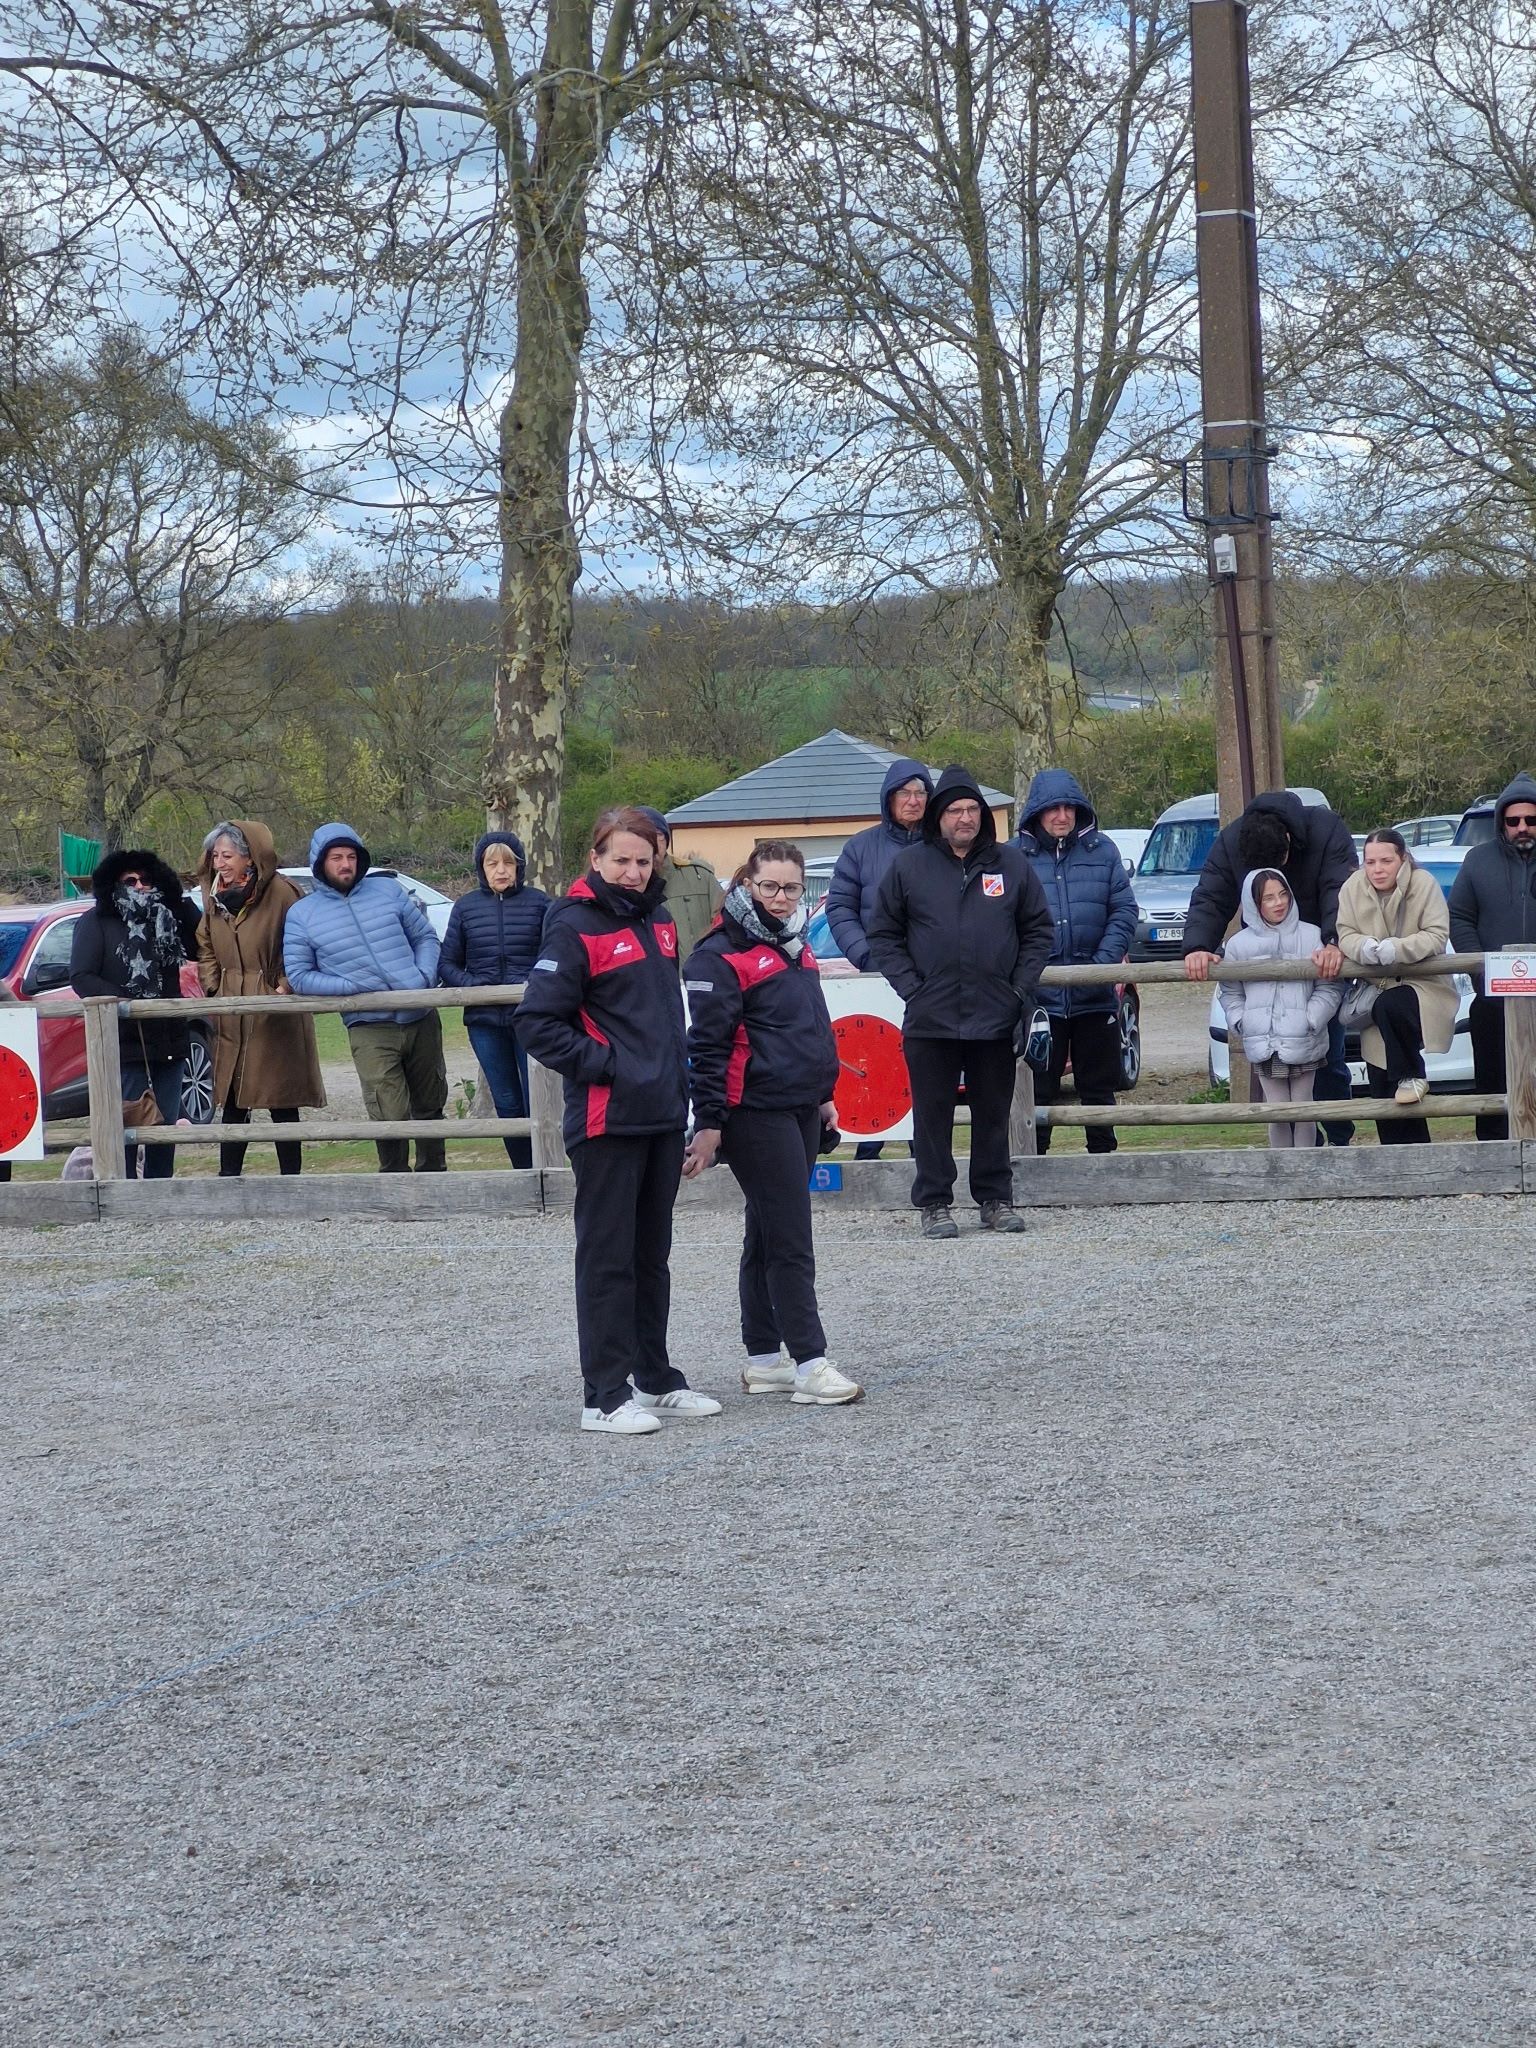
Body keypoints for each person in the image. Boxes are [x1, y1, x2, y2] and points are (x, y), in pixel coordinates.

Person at [517, 805, 722, 1435]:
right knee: (607, 1260)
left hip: (661, 1114)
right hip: (607, 1119)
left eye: (643, 860)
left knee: (650, 1256)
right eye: (621, 860)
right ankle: (602, 1394)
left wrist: (678, 1092)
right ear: (596, 859)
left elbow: (663, 1019)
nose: (633, 872)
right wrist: (608, 1065)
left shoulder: (661, 920)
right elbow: (536, 1022)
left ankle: (654, 1376)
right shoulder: (573, 926)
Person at [681, 840, 863, 1406]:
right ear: (746, 885)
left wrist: (824, 1093)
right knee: (790, 1235)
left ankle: (764, 1359)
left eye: (791, 888)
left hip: (801, 1104)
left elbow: (810, 1025)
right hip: (753, 1112)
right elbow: (706, 1050)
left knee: (764, 1233)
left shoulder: (795, 946)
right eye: (769, 887)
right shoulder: (717, 956)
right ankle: (810, 1362)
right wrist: (711, 1123)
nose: (782, 899)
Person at [866, 765, 1054, 1237]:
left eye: (972, 809)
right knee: (932, 1116)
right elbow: (883, 933)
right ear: (938, 816)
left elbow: (1038, 931)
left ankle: (995, 1198)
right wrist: (913, 986)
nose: (965, 818)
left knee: (994, 1113)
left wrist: (1018, 988)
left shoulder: (1011, 865)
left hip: (995, 1014)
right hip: (930, 1016)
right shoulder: (909, 866)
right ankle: (934, 1203)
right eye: (954, 810)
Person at [1183, 788, 1358, 1142]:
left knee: (1329, 1063)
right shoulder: (1233, 839)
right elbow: (1212, 894)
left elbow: (1339, 888)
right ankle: (1295, 1155)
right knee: (1275, 1077)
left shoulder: (1326, 829)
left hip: (1318, 962)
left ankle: (1341, 1140)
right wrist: (1198, 945)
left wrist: (1334, 940)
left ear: (1290, 841)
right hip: (1264, 973)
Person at [282, 822, 448, 1173]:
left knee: (430, 1101)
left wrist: (422, 977)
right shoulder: (302, 914)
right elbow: (299, 975)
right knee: (388, 1109)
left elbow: (426, 938)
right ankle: (393, 1180)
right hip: (369, 1024)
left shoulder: (388, 891)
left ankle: (436, 1177)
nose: (345, 864)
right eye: (337, 857)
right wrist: (350, 988)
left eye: (351, 856)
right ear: (320, 863)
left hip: (420, 1015)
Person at [1016, 769, 1137, 1154]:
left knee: (1099, 1085)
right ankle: (1032, 1165)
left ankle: (1104, 1164)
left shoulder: (1103, 851)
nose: (1062, 816)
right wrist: (1028, 970)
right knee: (1039, 1087)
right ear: (1037, 812)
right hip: (1040, 999)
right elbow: (1002, 919)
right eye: (1053, 808)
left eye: (1069, 807)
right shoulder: (1012, 858)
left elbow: (1124, 910)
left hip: (1095, 994)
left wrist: (1101, 965)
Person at [196, 821, 325, 1177]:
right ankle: (228, 1177)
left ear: (250, 856)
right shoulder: (214, 895)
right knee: (235, 1099)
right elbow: (204, 943)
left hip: (273, 1008)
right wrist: (212, 986)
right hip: (231, 1007)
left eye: (227, 855)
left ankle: (292, 1178)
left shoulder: (283, 892)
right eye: (215, 855)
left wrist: (283, 985)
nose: (219, 863)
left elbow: (302, 942)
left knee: (280, 1098)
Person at [824, 757, 933, 1159]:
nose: (913, 800)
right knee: (875, 1064)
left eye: (920, 792)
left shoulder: (941, 845)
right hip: (875, 979)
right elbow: (840, 909)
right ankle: (866, 1162)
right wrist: (866, 956)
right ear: (888, 798)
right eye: (904, 792)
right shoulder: (860, 848)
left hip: (928, 979)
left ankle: (928, 1166)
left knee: (921, 1074)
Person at [69, 850, 201, 1179]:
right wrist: (128, 1003)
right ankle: (125, 1190)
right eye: (131, 880)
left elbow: (201, 944)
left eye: (146, 879)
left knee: (166, 1122)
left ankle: (160, 1191)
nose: (140, 886)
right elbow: (82, 976)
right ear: (115, 884)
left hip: (169, 1034)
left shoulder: (168, 916)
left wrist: (177, 899)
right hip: (124, 1038)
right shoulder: (96, 921)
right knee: (128, 1119)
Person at [437, 832, 550, 1169]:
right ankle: (522, 1171)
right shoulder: (465, 907)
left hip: (530, 1018)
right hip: (485, 1022)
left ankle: (547, 1167)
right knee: (507, 1102)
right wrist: (475, 985)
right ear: (481, 868)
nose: (501, 870)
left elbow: (555, 956)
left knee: (539, 1100)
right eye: (492, 863)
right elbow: (446, 964)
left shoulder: (541, 904)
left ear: (519, 866)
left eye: (508, 863)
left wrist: (531, 984)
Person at [1337, 829, 1456, 1145]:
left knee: (1392, 1005)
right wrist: (1363, 947)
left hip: (1423, 985)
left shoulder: (1424, 884)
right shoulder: (1351, 888)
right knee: (1381, 1082)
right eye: (1371, 861)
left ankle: (1414, 1074)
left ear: (1402, 859)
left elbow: (1436, 935)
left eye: (1386, 860)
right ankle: (1400, 1159)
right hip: (1375, 988)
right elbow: (1345, 932)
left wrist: (1396, 949)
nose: (1377, 869)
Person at [1218, 870, 1344, 1150]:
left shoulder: (1312, 936)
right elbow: (1230, 992)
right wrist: (1243, 1021)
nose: (1279, 903)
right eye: (1269, 898)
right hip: (1262, 1039)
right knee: (1275, 1112)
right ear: (1254, 904)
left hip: (1304, 1037)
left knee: (1303, 1109)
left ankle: (1304, 1169)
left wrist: (1311, 1019)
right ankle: (1281, 1171)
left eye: (1283, 894)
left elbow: (1330, 987)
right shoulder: (1238, 945)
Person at [1448, 771, 1536, 1141]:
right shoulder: (1477, 861)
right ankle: (1494, 1152)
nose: (1522, 828)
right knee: (1491, 1079)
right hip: (1492, 996)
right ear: (1502, 822)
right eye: (1513, 820)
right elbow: (1460, 917)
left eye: (1530, 820)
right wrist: (1481, 967)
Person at [636, 807, 724, 962]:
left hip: (699, 979)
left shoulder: (700, 878)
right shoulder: (621, 886)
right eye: (642, 835)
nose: (651, 842)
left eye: (657, 835)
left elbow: (726, 929)